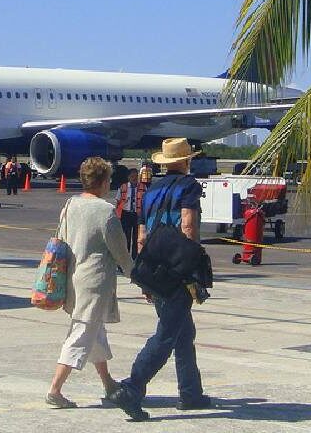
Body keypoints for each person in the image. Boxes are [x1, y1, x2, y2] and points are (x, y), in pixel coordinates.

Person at [108, 138, 210, 421]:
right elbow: (188, 224)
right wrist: (191, 266)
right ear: (186, 161)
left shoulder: (150, 189)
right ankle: (132, 387)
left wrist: (145, 277)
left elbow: (140, 236)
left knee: (183, 331)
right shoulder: (189, 186)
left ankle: (191, 393)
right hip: (177, 269)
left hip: (153, 267)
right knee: (166, 334)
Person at [46, 157, 134, 409]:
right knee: (82, 334)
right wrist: (136, 275)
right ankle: (55, 389)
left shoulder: (70, 204)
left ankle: (108, 384)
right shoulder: (105, 210)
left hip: (72, 278)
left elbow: (60, 239)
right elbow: (120, 252)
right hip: (94, 283)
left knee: (95, 333)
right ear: (104, 182)